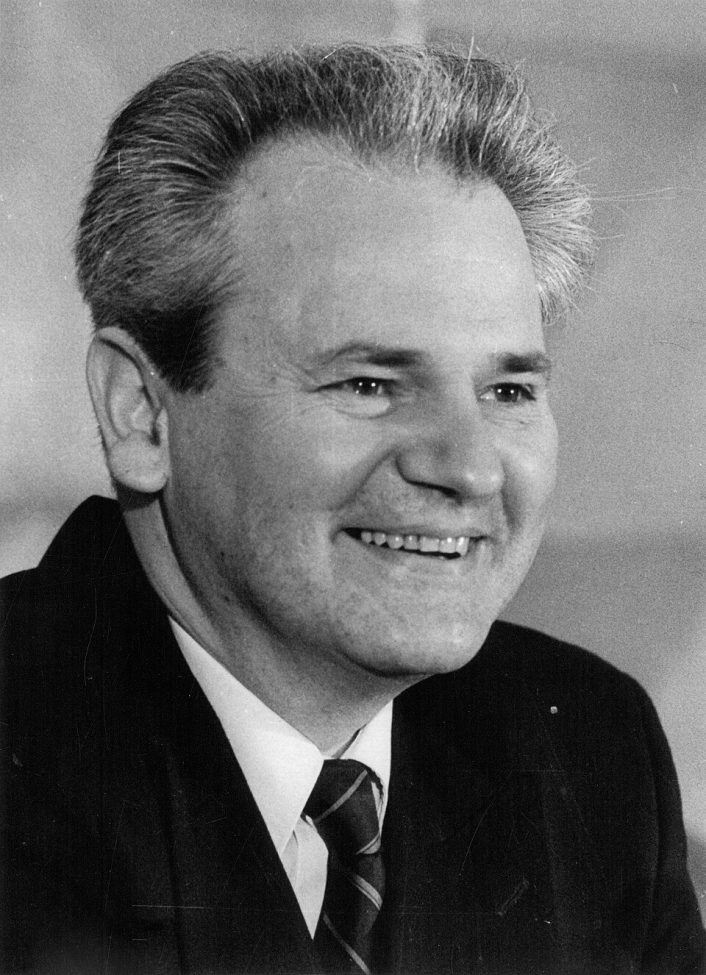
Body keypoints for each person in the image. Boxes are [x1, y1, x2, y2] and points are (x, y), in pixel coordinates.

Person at [0, 44, 703, 975]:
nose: (470, 469)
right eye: (369, 383)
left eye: (508, 392)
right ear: (141, 412)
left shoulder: (590, 748)